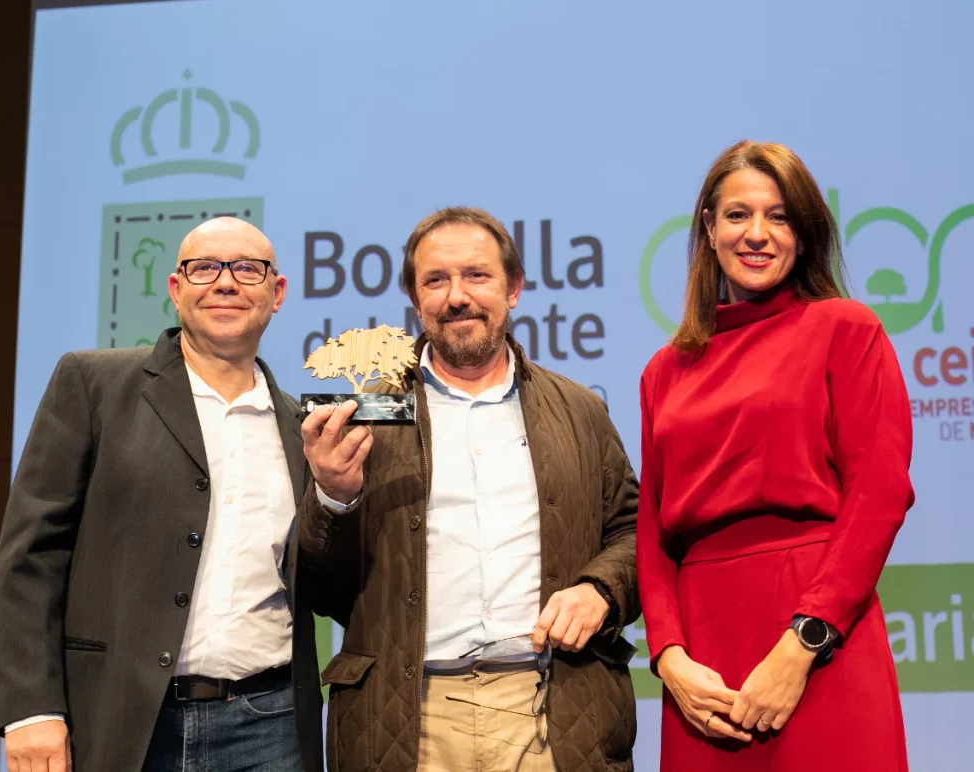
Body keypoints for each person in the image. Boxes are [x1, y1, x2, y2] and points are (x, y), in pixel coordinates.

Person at [298, 206, 641, 772]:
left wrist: (601, 591)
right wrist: (334, 496)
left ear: (515, 290)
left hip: (551, 710)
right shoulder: (364, 417)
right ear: (415, 298)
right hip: (409, 721)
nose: (457, 296)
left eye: (477, 275)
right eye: (436, 280)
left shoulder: (580, 410)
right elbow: (326, 589)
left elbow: (629, 531)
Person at [0, 218, 323, 772]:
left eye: (247, 269)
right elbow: (30, 558)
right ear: (175, 289)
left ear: (277, 293)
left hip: (270, 727)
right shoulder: (93, 384)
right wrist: (30, 708)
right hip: (122, 720)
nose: (225, 282)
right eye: (204, 268)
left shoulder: (302, 426)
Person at [637, 140, 914, 771]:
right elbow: (651, 530)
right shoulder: (664, 370)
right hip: (702, 664)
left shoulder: (847, 329)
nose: (757, 234)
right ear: (709, 229)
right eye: (737, 215)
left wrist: (804, 641)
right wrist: (669, 657)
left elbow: (879, 494)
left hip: (820, 639)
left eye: (780, 216)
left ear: (804, 233)